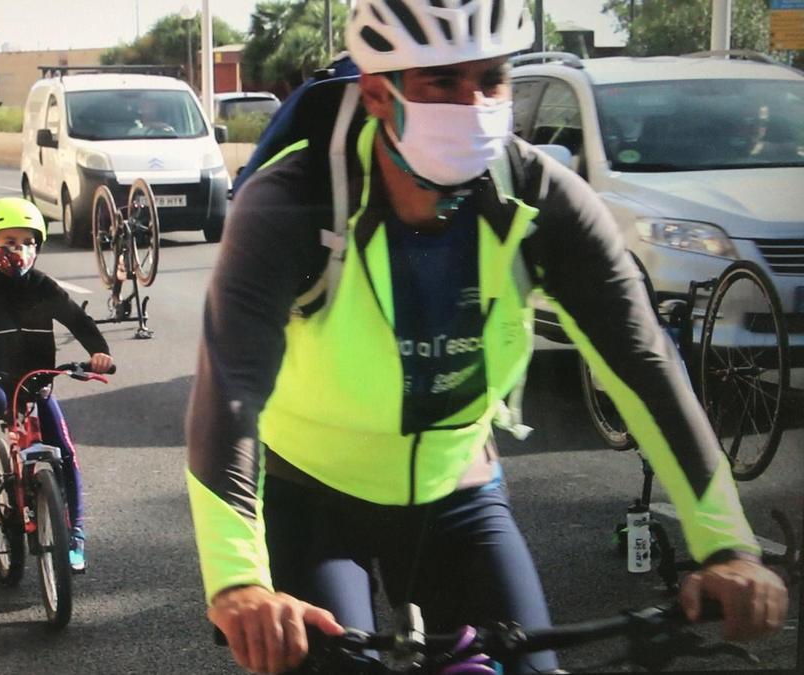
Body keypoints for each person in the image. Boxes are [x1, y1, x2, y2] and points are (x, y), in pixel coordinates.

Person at [186, 2, 788, 674]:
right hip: (313, 494)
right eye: (441, 82)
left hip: (457, 490)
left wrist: (727, 545)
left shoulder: (543, 199)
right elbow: (231, 389)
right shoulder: (292, 203)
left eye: (491, 79)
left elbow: (642, 362)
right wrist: (239, 583)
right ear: (380, 93)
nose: (472, 104)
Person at [0, 197, 113, 572]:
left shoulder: (44, 287)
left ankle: (75, 533)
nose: (18, 250)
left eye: (27, 241)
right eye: (8, 242)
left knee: (64, 450)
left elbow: (77, 322)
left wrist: (100, 352)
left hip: (36, 382)